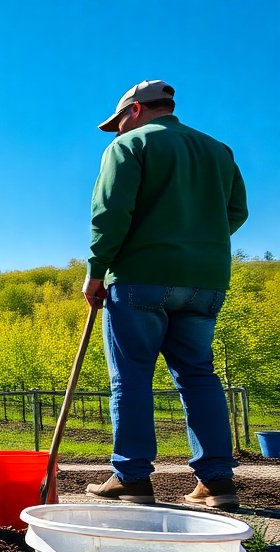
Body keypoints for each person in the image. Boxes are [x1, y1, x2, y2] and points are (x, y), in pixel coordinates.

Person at [83, 80, 247, 511]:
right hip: (205, 282)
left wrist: (97, 271)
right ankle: (216, 482)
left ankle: (132, 477)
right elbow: (236, 212)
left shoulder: (129, 147)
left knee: (131, 377)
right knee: (198, 376)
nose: (117, 131)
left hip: (139, 278)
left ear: (134, 111)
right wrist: (194, 243)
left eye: (118, 122)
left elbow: (110, 213)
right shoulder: (218, 151)